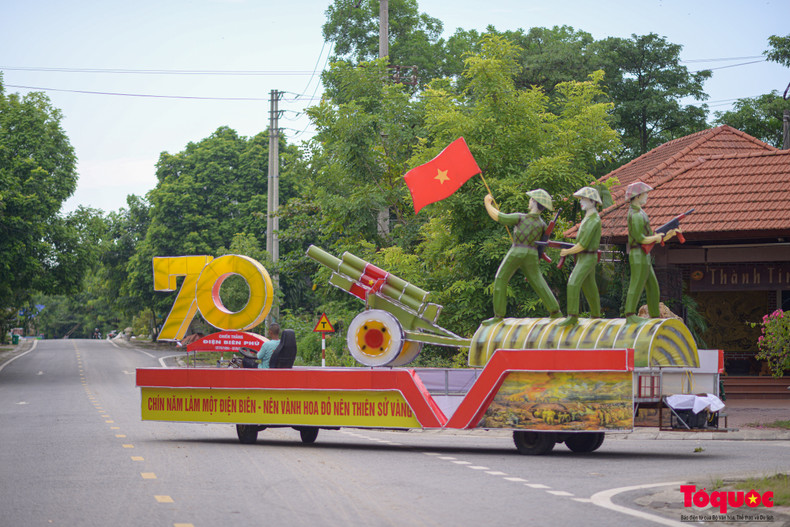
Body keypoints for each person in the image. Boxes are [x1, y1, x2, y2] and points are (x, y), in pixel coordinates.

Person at [484, 189, 562, 319]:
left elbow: (499, 217)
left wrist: (487, 203)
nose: (529, 201)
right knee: (538, 282)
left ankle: (498, 315)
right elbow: (542, 244)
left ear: (534, 202)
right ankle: (555, 311)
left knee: (500, 278)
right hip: (532, 255)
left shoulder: (520, 217)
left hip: (517, 251)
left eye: (531, 199)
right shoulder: (542, 225)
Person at [623, 181, 678, 324]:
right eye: (645, 193)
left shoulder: (641, 213)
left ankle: (654, 314)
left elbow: (651, 237)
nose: (647, 196)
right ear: (637, 196)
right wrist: (656, 237)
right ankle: (630, 314)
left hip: (645, 255)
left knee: (653, 287)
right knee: (636, 284)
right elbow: (640, 238)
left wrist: (669, 234)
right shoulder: (635, 215)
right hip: (638, 254)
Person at [558, 187, 602, 326]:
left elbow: (582, 245)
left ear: (592, 201)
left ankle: (572, 316)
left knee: (573, 282)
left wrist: (567, 252)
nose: (581, 201)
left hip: (587, 256)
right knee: (589, 287)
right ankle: (596, 314)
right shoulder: (587, 218)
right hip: (583, 257)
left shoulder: (593, 220)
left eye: (584, 199)